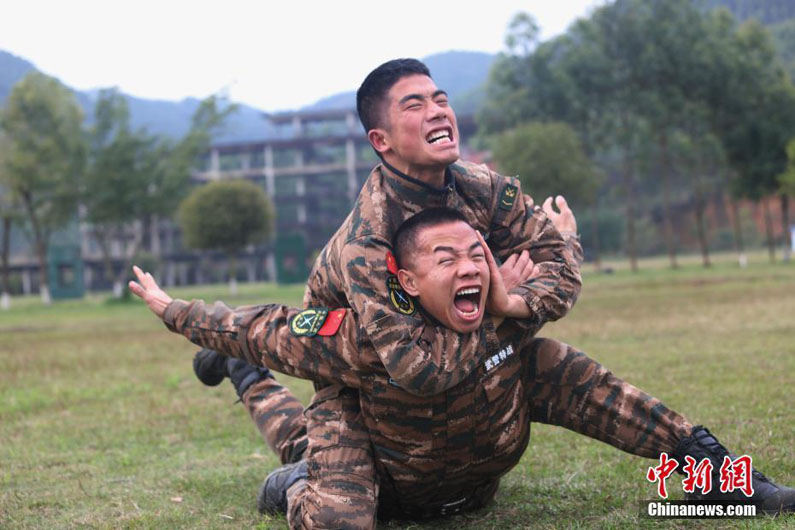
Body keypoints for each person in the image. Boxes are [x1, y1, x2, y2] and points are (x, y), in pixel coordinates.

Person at [132, 208, 795, 527]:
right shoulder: (365, 338)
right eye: (446, 258)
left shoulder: (507, 316)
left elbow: (567, 299)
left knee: (558, 367)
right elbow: (257, 325)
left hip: (473, 483)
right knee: (314, 445)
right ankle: (267, 430)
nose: (469, 266)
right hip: (388, 484)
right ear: (409, 282)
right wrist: (171, 308)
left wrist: (561, 235)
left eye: (476, 252)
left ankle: (724, 482)